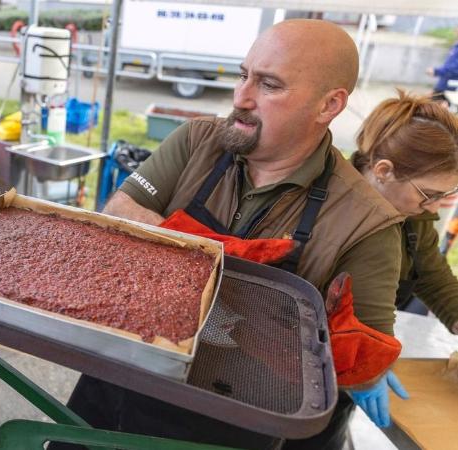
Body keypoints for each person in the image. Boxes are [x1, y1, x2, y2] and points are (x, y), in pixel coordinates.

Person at [56, 19, 406, 450]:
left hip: (236, 422)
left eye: (269, 85)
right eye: (243, 76)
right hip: (127, 376)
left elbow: (358, 364)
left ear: (328, 106)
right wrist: (227, 258)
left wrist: (351, 357)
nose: (241, 97)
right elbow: (120, 213)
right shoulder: (197, 141)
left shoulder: (366, 224)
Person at [353, 91, 458, 335]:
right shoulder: (326, 206)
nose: (433, 207)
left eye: (442, 195)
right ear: (383, 171)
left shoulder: (414, 217)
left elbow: (431, 275)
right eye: (428, 194)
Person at [427, 27, 458, 102]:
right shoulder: (455, 47)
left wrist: (436, 71)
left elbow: (454, 69)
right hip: (444, 84)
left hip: (452, 86)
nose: (455, 30)